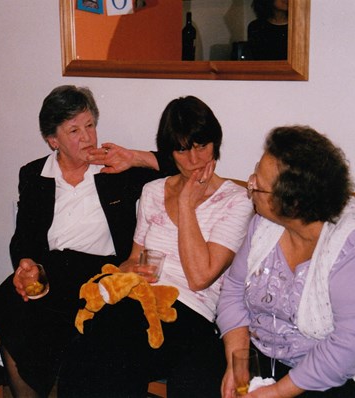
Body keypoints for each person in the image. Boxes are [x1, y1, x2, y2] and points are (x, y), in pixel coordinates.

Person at [0, 85, 178, 398]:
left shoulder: (116, 170)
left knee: (27, 293)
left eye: (90, 126)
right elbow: (24, 239)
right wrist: (26, 265)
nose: (87, 137)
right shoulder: (34, 174)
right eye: (74, 130)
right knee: (21, 302)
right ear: (53, 140)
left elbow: (181, 165)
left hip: (102, 276)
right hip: (54, 279)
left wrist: (134, 157)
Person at [57, 96, 254, 397]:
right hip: (139, 300)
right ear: (170, 153)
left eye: (201, 146)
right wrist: (128, 271)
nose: (194, 160)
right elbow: (132, 260)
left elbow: (200, 277)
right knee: (86, 344)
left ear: (215, 144)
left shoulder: (236, 201)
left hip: (189, 312)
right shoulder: (152, 191)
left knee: (111, 349)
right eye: (182, 149)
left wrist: (187, 203)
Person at [217, 126, 355, 397]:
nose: (250, 183)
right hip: (259, 352)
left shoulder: (347, 248)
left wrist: (280, 391)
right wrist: (238, 360)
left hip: (323, 372)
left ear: (292, 205)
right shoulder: (264, 225)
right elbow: (233, 288)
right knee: (191, 379)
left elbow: (349, 343)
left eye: (260, 184)